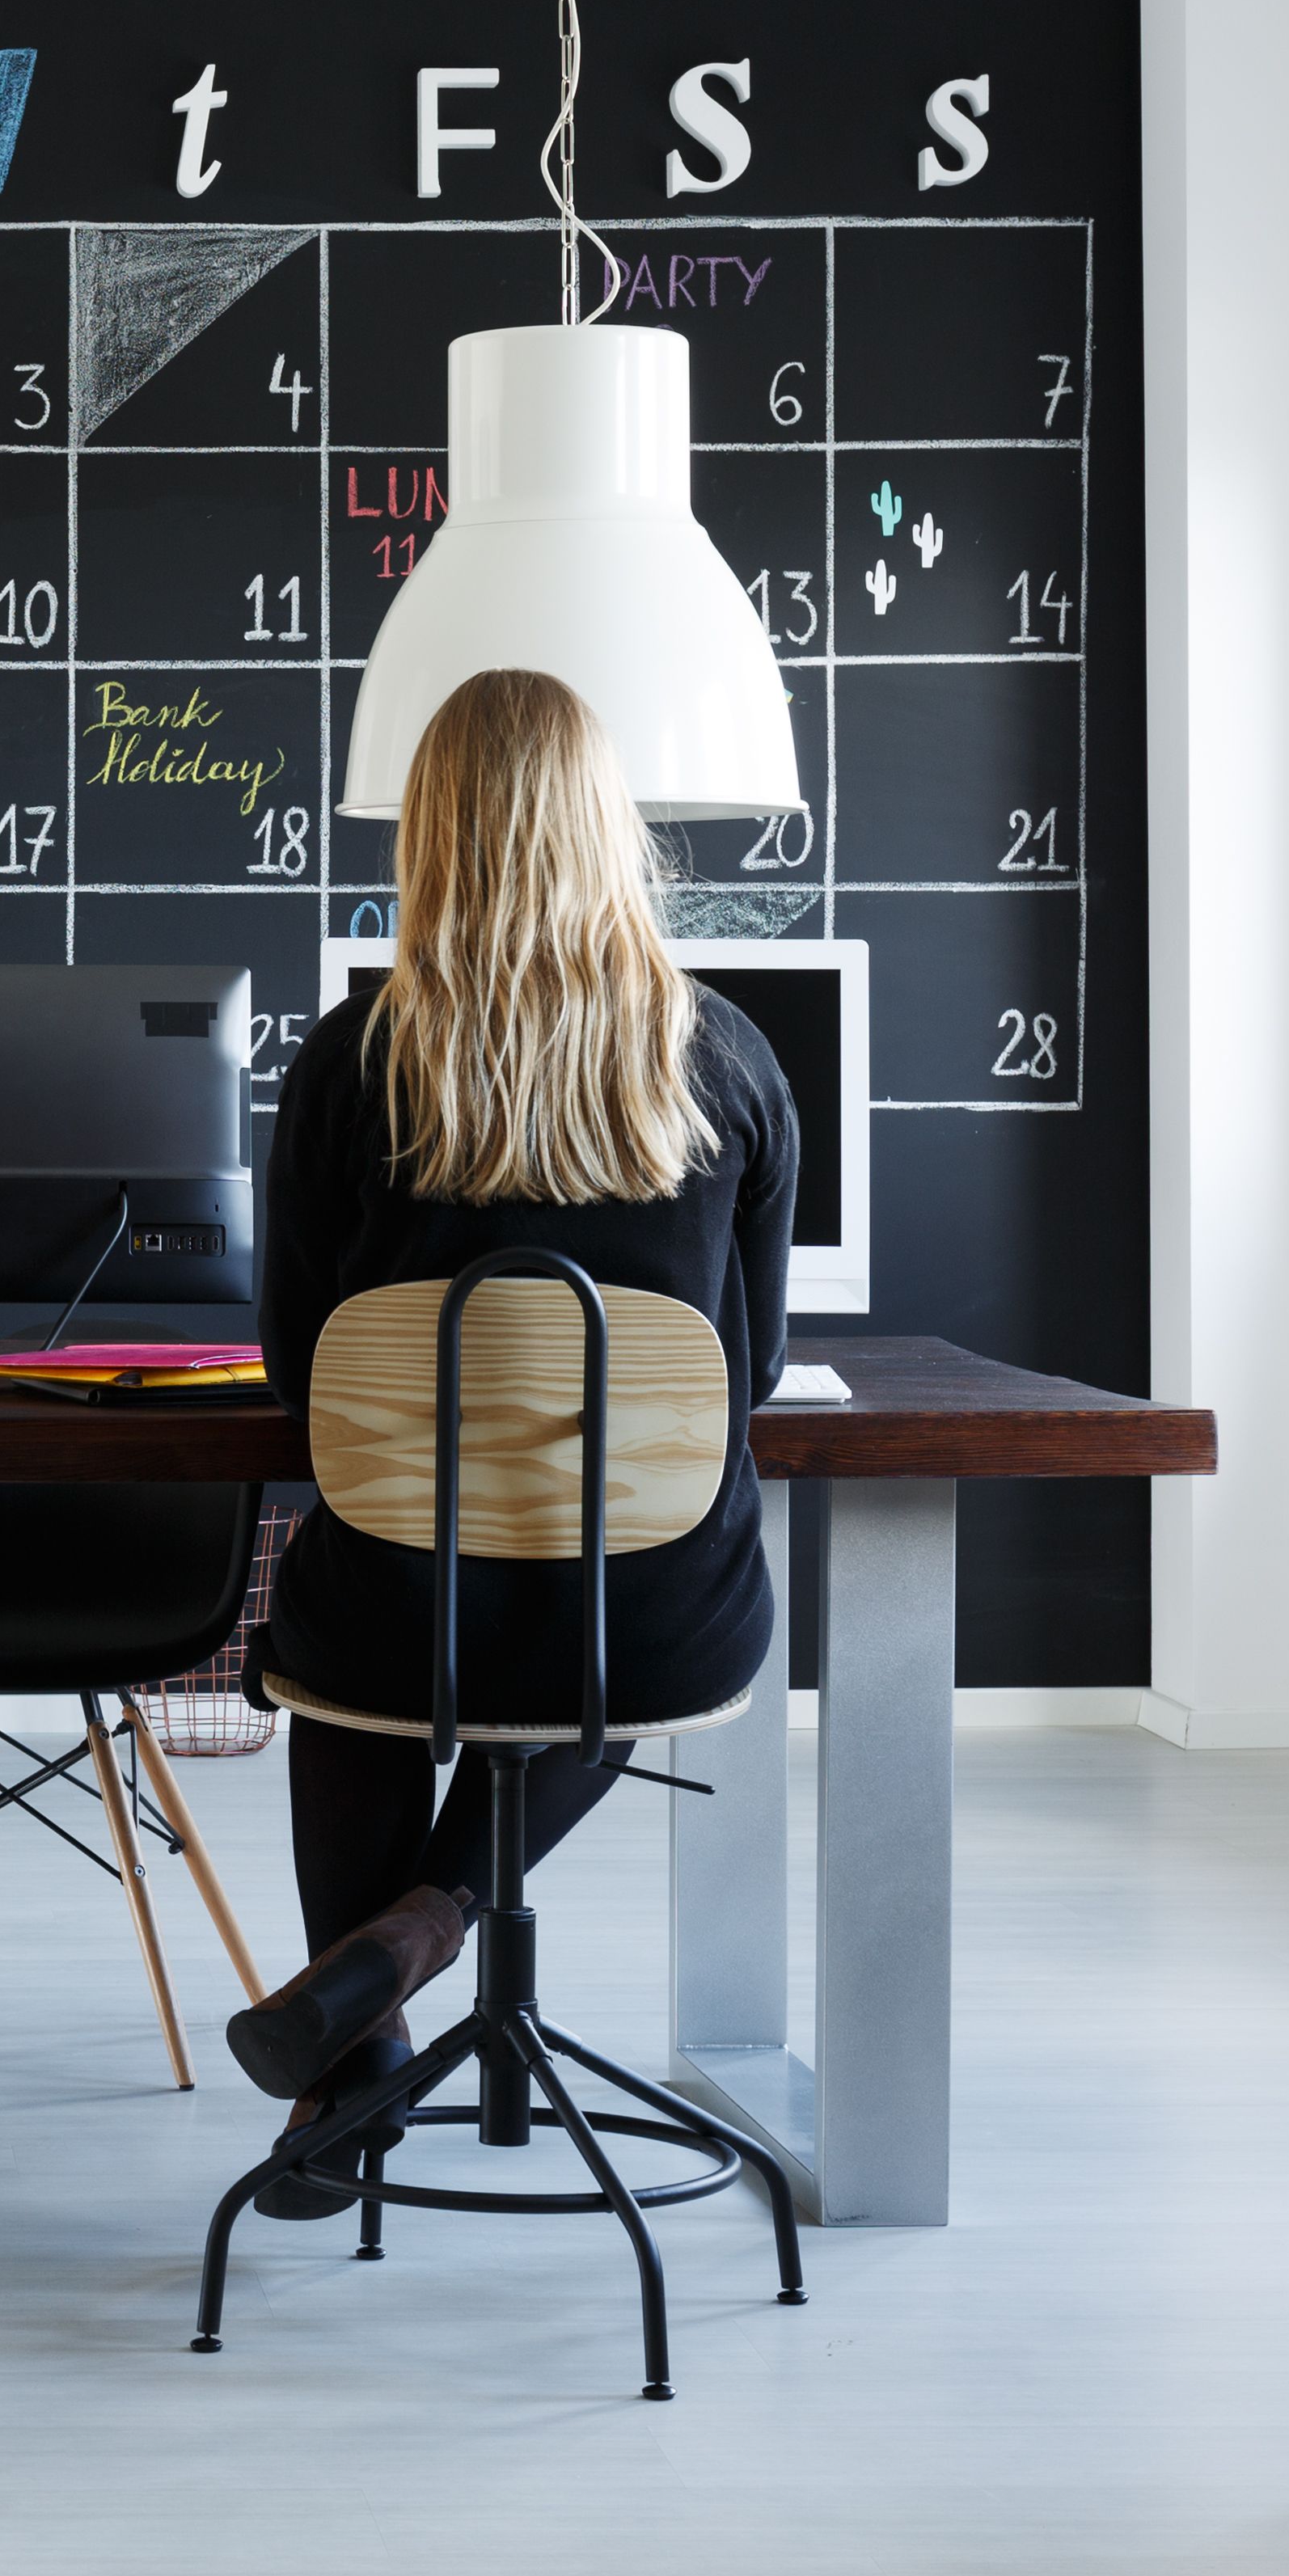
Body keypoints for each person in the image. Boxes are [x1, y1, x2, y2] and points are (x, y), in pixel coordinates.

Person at [227, 668, 796, 2213]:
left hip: (403, 1596)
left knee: (338, 1669)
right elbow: (750, 1375)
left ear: (433, 839)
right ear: (607, 830)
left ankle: (357, 2061)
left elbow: (301, 1368)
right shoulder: (727, 1058)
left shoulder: (354, 1063)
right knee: (626, 1603)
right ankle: (425, 1931)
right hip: (652, 1611)